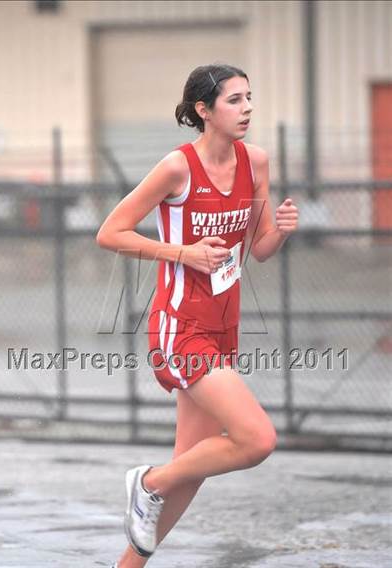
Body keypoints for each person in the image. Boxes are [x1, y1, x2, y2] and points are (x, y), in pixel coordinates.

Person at [96, 63, 299, 568]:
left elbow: (260, 249)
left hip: (223, 325)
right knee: (256, 439)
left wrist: (284, 230)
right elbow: (111, 233)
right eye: (234, 100)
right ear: (204, 111)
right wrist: (183, 253)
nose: (247, 108)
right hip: (179, 325)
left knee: (194, 463)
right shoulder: (176, 167)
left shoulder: (257, 162)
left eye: (249, 97)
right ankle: (148, 482)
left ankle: (128, 564)